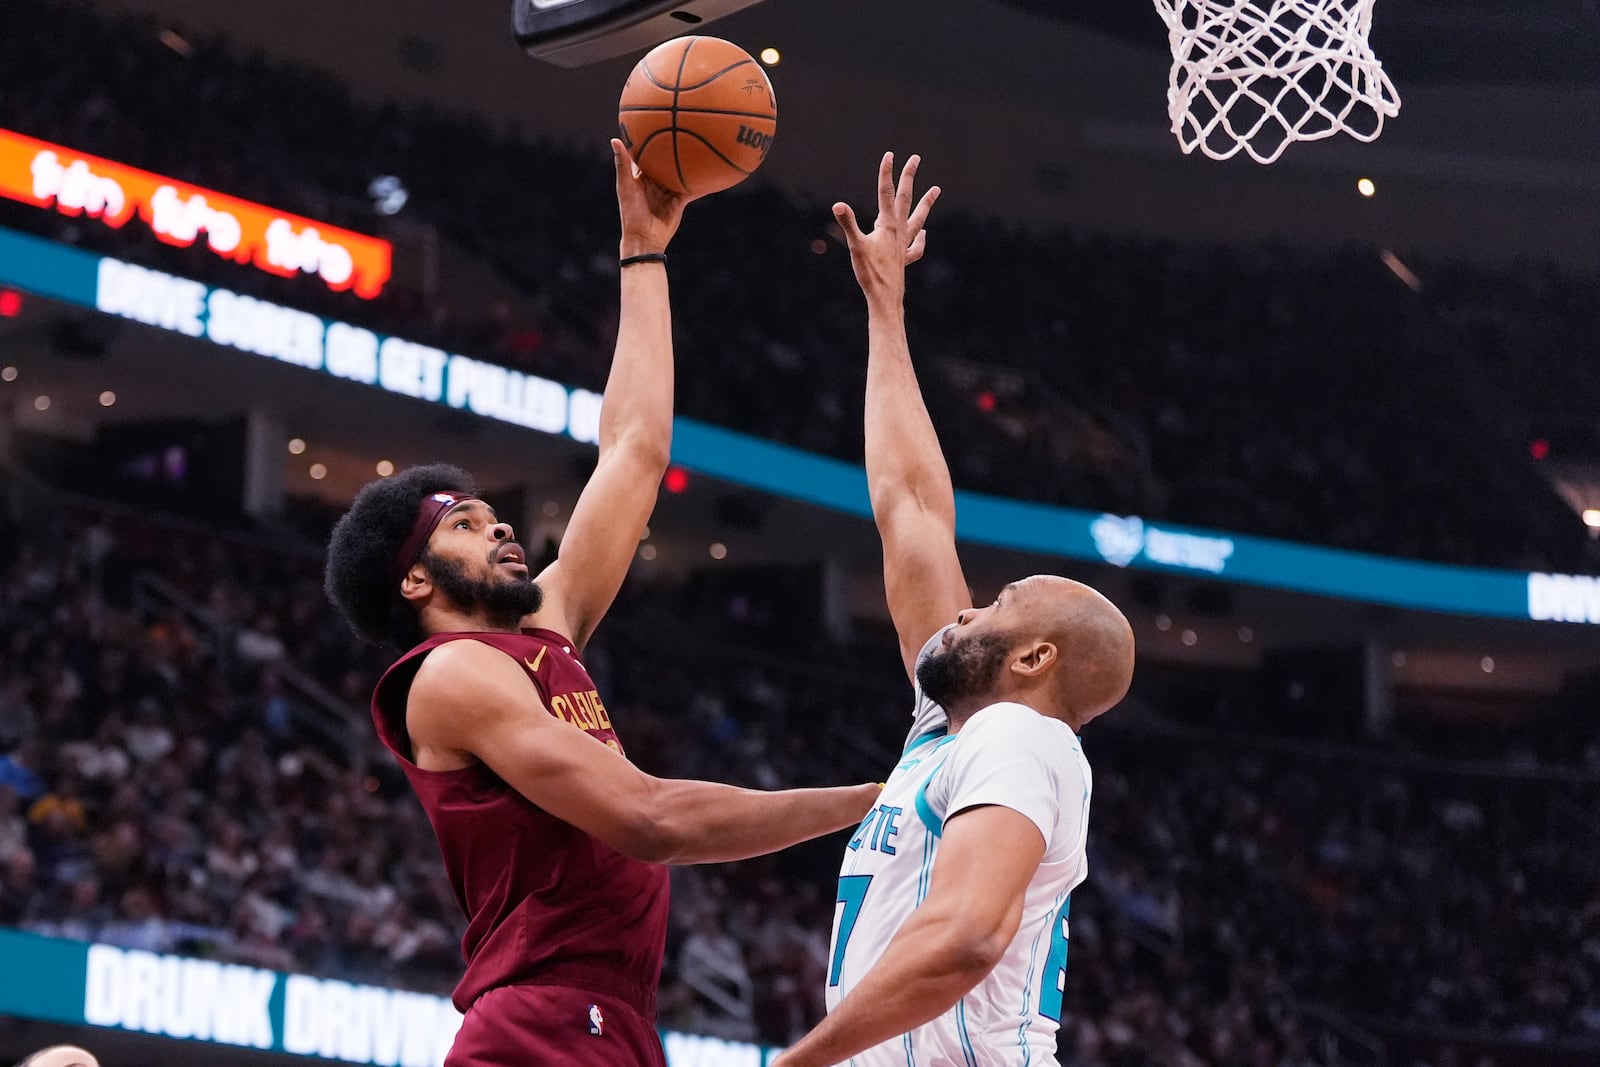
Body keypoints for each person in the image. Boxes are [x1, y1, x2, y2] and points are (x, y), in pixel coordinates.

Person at [324, 141, 879, 1067]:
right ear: (414, 580)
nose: (503, 532)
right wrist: (869, 800)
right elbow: (649, 819)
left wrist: (644, 254)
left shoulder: (544, 627)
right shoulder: (451, 674)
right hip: (541, 1020)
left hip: (610, 1017)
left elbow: (632, 448)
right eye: (466, 525)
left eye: (498, 518)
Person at [771, 155, 1136, 1067]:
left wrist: (798, 1063)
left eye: (998, 605)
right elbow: (912, 509)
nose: (968, 610)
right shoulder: (953, 731)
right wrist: (885, 310)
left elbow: (970, 935)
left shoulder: (1022, 739)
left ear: (1037, 659)